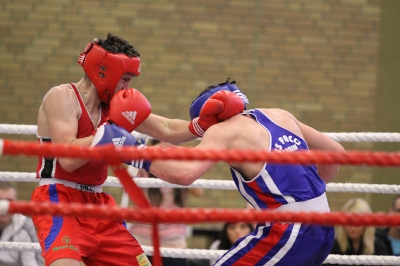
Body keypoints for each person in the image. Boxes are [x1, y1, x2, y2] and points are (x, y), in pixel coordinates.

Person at [94, 78, 346, 265]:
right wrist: (306, 196)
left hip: (288, 231)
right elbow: (335, 153)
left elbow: (185, 174)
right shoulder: (280, 115)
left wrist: (130, 150)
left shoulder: (223, 130)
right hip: (324, 228)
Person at [34, 33, 232, 266]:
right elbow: (67, 159)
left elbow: (167, 128)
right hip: (59, 199)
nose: (128, 86)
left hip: (98, 205)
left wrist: (202, 125)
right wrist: (109, 130)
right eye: (125, 78)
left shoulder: (114, 106)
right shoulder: (62, 97)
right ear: (103, 72)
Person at [129, 139, 204, 266]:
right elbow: (126, 184)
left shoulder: (183, 171)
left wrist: (182, 158)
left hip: (174, 243)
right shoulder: (144, 170)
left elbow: (199, 191)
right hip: (143, 241)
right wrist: (148, 153)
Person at [323, 198, 390, 266]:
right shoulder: (333, 246)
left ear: (366, 224)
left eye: (357, 223)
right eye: (348, 222)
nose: (352, 228)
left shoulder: (378, 247)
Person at [0, 182, 44, 266]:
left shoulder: (25, 227)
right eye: (0, 200)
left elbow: (32, 264)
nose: (4, 206)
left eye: (9, 201)